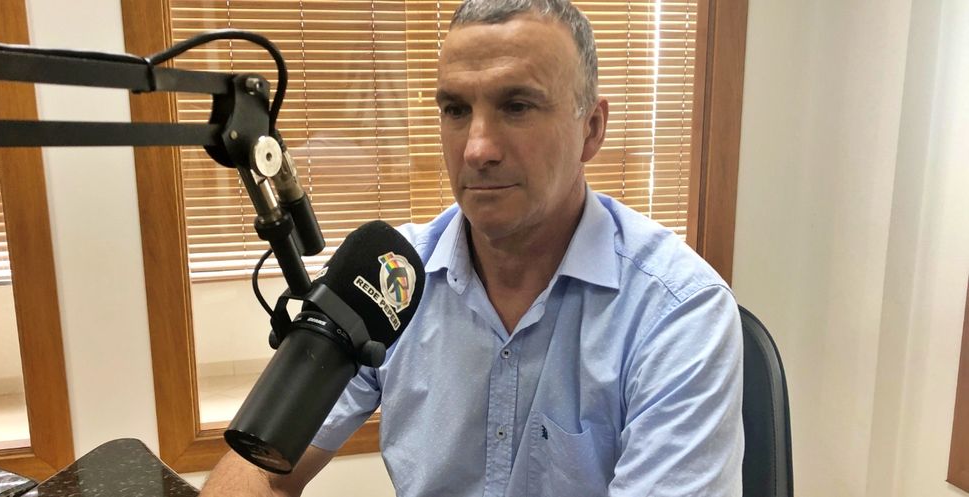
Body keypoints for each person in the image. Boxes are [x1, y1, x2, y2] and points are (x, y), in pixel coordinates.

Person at [201, 0, 743, 495]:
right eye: (456, 110)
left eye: (517, 106)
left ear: (592, 129)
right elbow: (262, 469)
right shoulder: (391, 279)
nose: (477, 149)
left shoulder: (677, 312)